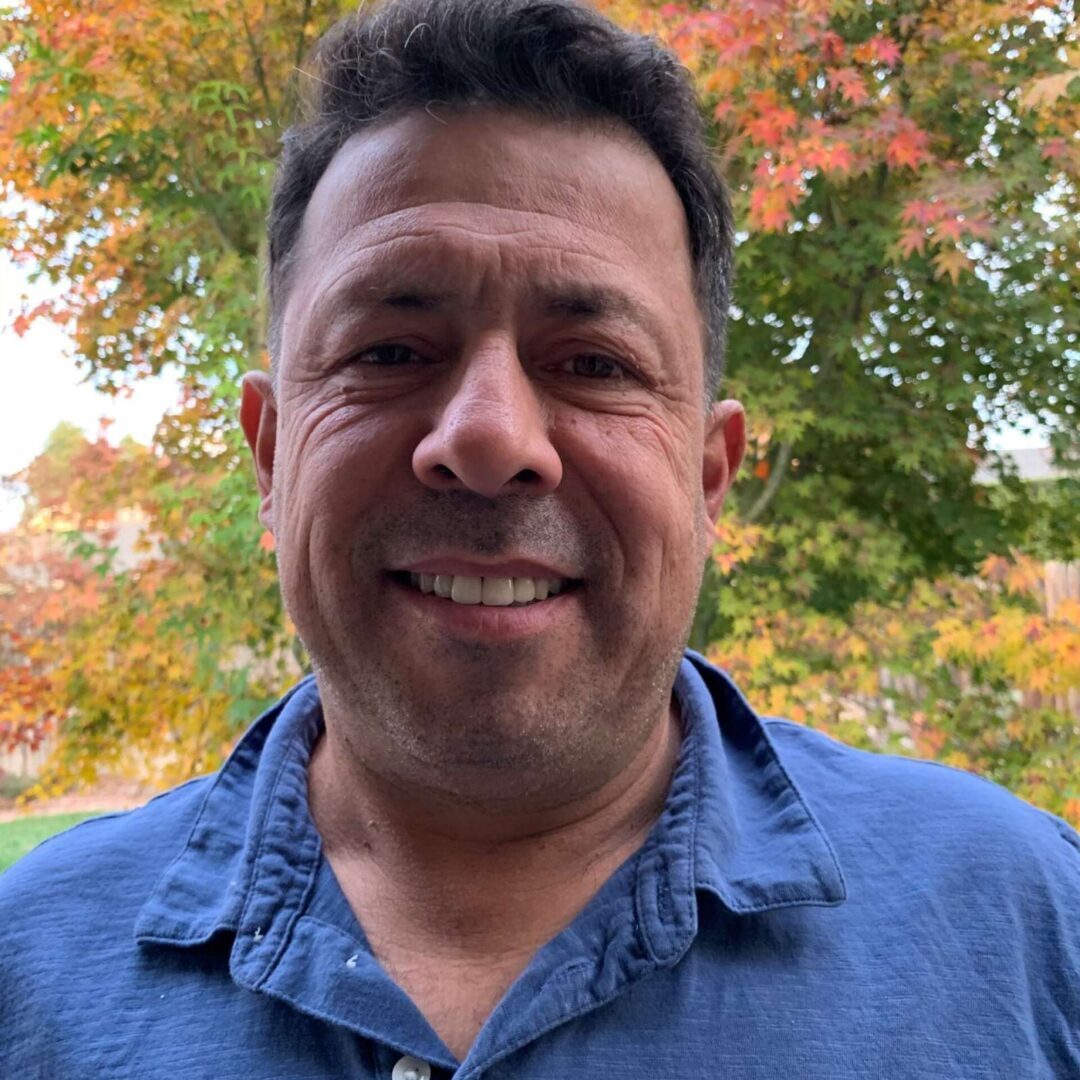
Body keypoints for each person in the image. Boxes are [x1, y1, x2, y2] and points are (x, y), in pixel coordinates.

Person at [2, 0, 1078, 1075]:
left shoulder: (1031, 930)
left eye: (596, 363)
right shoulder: (27, 972)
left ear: (710, 476)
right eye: (388, 351)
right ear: (272, 454)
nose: (488, 438)